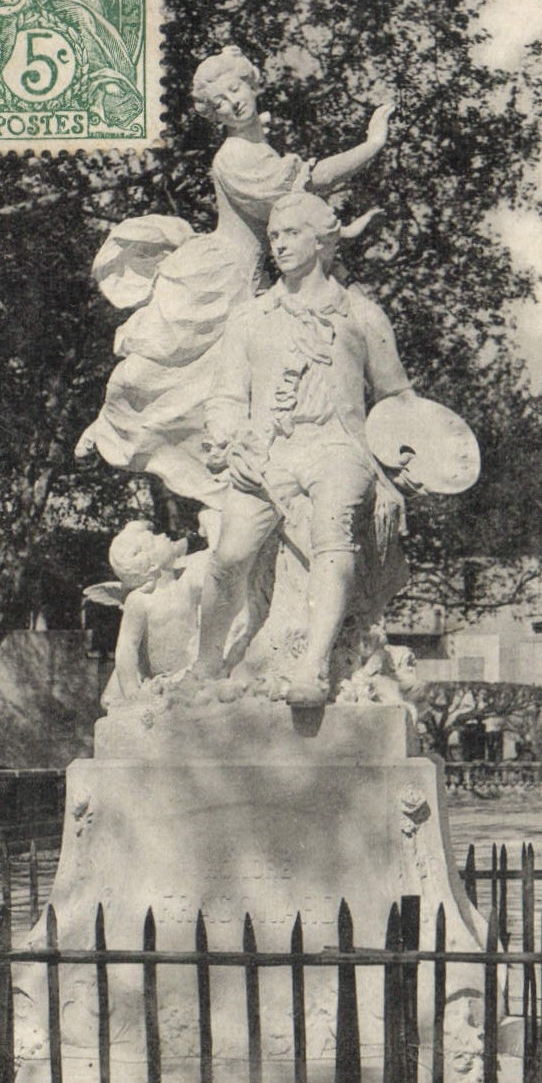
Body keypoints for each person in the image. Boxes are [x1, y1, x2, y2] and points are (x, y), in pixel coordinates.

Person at [76, 47, 394, 504]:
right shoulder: (236, 157)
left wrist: (338, 231)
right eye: (220, 102)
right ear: (214, 116)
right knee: (165, 366)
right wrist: (373, 145)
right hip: (222, 273)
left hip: (254, 278)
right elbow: (310, 183)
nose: (233, 102)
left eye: (235, 89)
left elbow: (295, 212)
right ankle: (113, 423)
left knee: (218, 386)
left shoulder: (260, 148)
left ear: (252, 84)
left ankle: (226, 475)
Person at [192, 190, 420, 707]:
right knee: (229, 556)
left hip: (338, 445)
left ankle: (313, 669)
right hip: (268, 452)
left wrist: (408, 457)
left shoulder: (361, 315)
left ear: (322, 239)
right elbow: (225, 397)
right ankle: (205, 665)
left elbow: (396, 395)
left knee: (332, 528)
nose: (279, 244)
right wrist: (230, 446)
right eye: (273, 235)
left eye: (291, 233)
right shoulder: (250, 318)